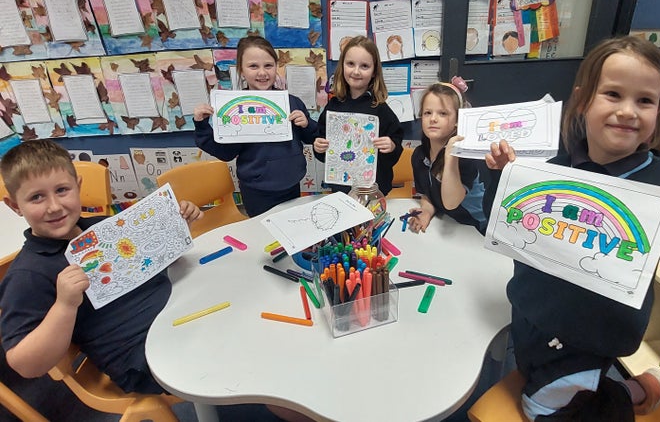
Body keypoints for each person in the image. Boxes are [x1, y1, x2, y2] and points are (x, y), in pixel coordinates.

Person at [485, 35, 660, 420]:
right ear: (583, 100)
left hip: (594, 338)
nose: (627, 111)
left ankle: (621, 396)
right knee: (533, 373)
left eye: (644, 100)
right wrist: (504, 178)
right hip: (530, 317)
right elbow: (506, 228)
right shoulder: (550, 168)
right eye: (612, 94)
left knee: (543, 407)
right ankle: (637, 387)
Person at [0, 139, 203, 394]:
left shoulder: (102, 228)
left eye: (62, 190)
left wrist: (180, 225)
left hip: (180, 313)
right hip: (143, 357)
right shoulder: (27, 275)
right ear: (15, 206)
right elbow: (25, 365)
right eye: (36, 197)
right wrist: (64, 305)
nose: (54, 206)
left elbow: (152, 264)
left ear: (78, 186)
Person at [193, 36, 318, 217]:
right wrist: (202, 125)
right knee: (263, 238)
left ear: (276, 67)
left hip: (291, 183)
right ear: (241, 71)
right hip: (257, 191)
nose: (262, 73)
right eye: (253, 66)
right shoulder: (234, 108)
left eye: (268, 65)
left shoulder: (291, 102)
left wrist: (306, 124)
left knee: (292, 231)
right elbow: (225, 153)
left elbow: (313, 137)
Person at [407, 80, 509, 235]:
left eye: (443, 113)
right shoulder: (419, 155)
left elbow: (451, 203)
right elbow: (428, 195)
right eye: (428, 112)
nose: (433, 119)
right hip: (451, 224)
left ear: (457, 121)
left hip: (478, 228)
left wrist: (450, 157)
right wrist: (426, 212)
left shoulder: (464, 157)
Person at [313, 35, 404, 196]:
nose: (356, 71)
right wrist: (319, 148)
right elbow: (324, 148)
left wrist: (391, 147)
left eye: (364, 66)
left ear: (374, 71)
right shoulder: (333, 106)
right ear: (342, 66)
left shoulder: (380, 109)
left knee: (371, 221)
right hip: (341, 189)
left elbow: (395, 147)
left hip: (373, 191)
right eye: (350, 64)